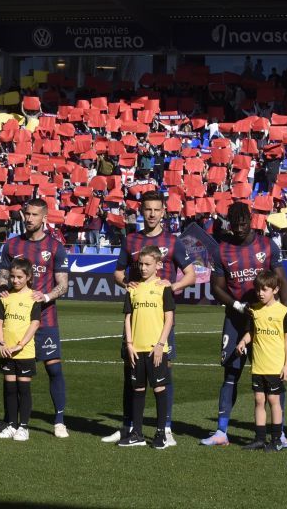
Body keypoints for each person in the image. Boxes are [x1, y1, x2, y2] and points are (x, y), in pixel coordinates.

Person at [108, 190, 196, 445]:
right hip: (136, 317)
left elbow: (190, 274)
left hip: (160, 321)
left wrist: (170, 287)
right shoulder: (131, 240)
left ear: (163, 212)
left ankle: (164, 427)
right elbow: (117, 273)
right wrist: (128, 284)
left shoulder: (173, 241)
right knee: (131, 370)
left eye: (157, 209)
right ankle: (130, 426)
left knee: (163, 372)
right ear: (141, 211)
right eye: (148, 209)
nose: (152, 214)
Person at [203, 201, 287, 447]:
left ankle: (279, 433)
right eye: (236, 224)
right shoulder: (222, 250)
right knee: (230, 373)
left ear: (251, 220)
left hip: (266, 320)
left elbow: (282, 281)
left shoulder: (266, 245)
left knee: (273, 377)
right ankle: (221, 432)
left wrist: (286, 313)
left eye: (244, 223)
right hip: (236, 318)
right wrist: (236, 305)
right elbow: (216, 287)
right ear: (229, 223)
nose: (240, 228)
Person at [0, 198, 70, 438]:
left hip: (44, 319)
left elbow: (63, 285)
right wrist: (3, 287)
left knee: (53, 369)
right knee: (11, 373)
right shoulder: (12, 245)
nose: (29, 218)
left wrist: (45, 296)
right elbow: (1, 276)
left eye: (34, 215)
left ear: (44, 218)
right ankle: (10, 422)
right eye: (27, 214)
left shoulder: (56, 247)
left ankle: (59, 421)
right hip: (15, 321)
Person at [118, 246, 175, 449]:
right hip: (136, 349)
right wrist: (130, 344)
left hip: (156, 349)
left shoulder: (163, 288)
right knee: (138, 390)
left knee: (159, 389)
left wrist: (160, 345)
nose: (143, 268)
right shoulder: (132, 289)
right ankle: (137, 433)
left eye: (147, 264)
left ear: (158, 265)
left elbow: (169, 318)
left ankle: (161, 434)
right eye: (140, 264)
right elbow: (128, 317)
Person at [236, 270, 287, 451]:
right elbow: (252, 333)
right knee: (259, 400)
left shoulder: (283, 311)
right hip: (258, 365)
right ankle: (260, 438)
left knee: (273, 401)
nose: (260, 293)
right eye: (258, 289)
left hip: (275, 365)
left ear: (275, 290)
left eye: (265, 289)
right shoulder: (254, 310)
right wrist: (243, 341)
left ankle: (276, 439)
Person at [0, 257, 41, 441]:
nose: (15, 280)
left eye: (20, 277)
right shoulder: (5, 297)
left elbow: (35, 323)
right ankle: (12, 425)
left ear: (28, 277)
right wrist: (1, 343)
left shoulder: (34, 297)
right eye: (12, 277)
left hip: (24, 351)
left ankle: (24, 427)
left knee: (23, 388)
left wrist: (20, 345)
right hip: (6, 351)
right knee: (10, 388)